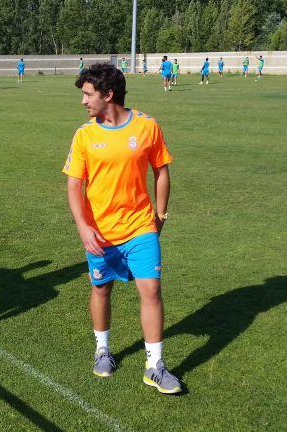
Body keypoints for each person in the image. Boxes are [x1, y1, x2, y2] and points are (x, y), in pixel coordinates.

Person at [63, 63, 181, 394]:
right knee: (101, 289)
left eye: (88, 94)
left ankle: (154, 365)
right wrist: (84, 227)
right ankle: (103, 349)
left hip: (141, 226)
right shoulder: (85, 134)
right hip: (100, 232)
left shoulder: (147, 126)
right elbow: (74, 186)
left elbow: (161, 171)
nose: (84, 101)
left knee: (152, 290)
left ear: (108, 94)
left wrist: (160, 215)